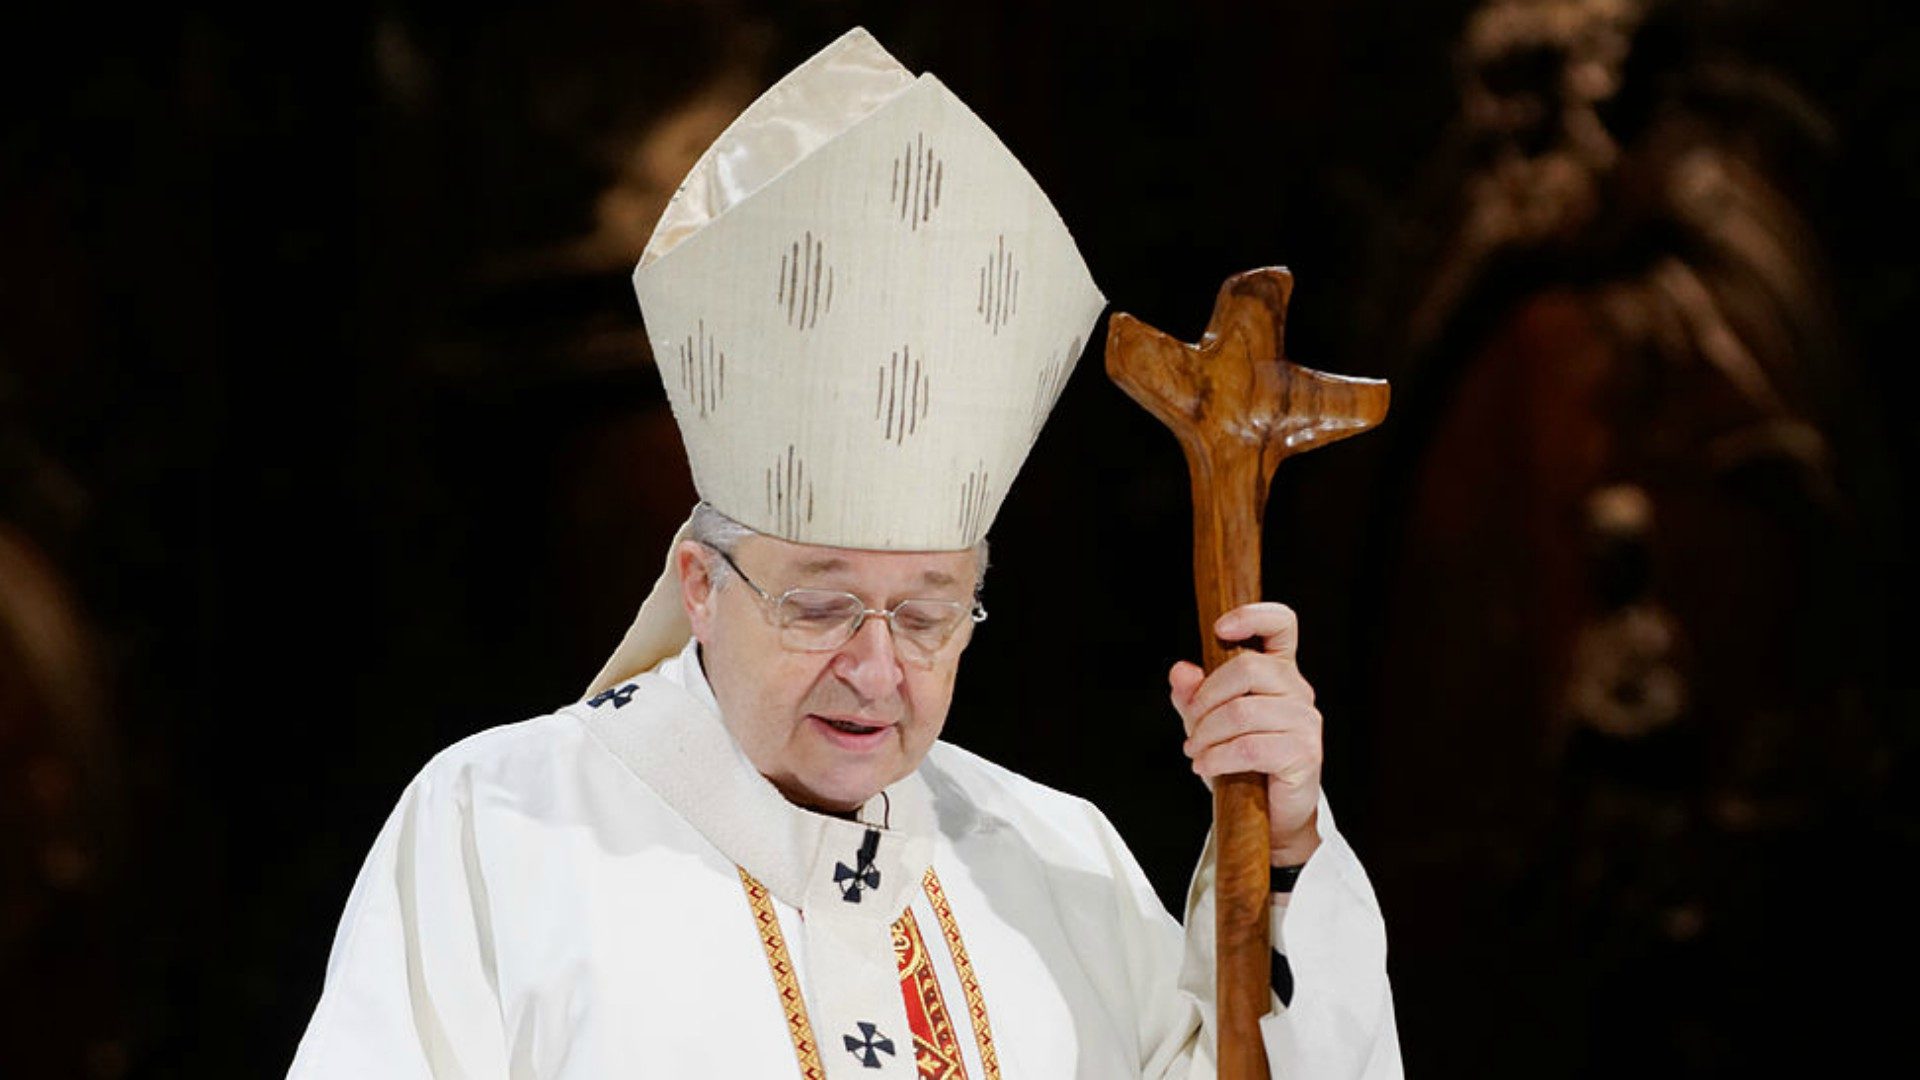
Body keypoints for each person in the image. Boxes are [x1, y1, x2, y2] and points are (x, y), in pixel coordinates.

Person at [288, 27, 1400, 1079]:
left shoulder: (1056, 861)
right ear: (700, 586)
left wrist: (1286, 838)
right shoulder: (501, 828)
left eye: (926, 616)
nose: (877, 673)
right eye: (820, 607)